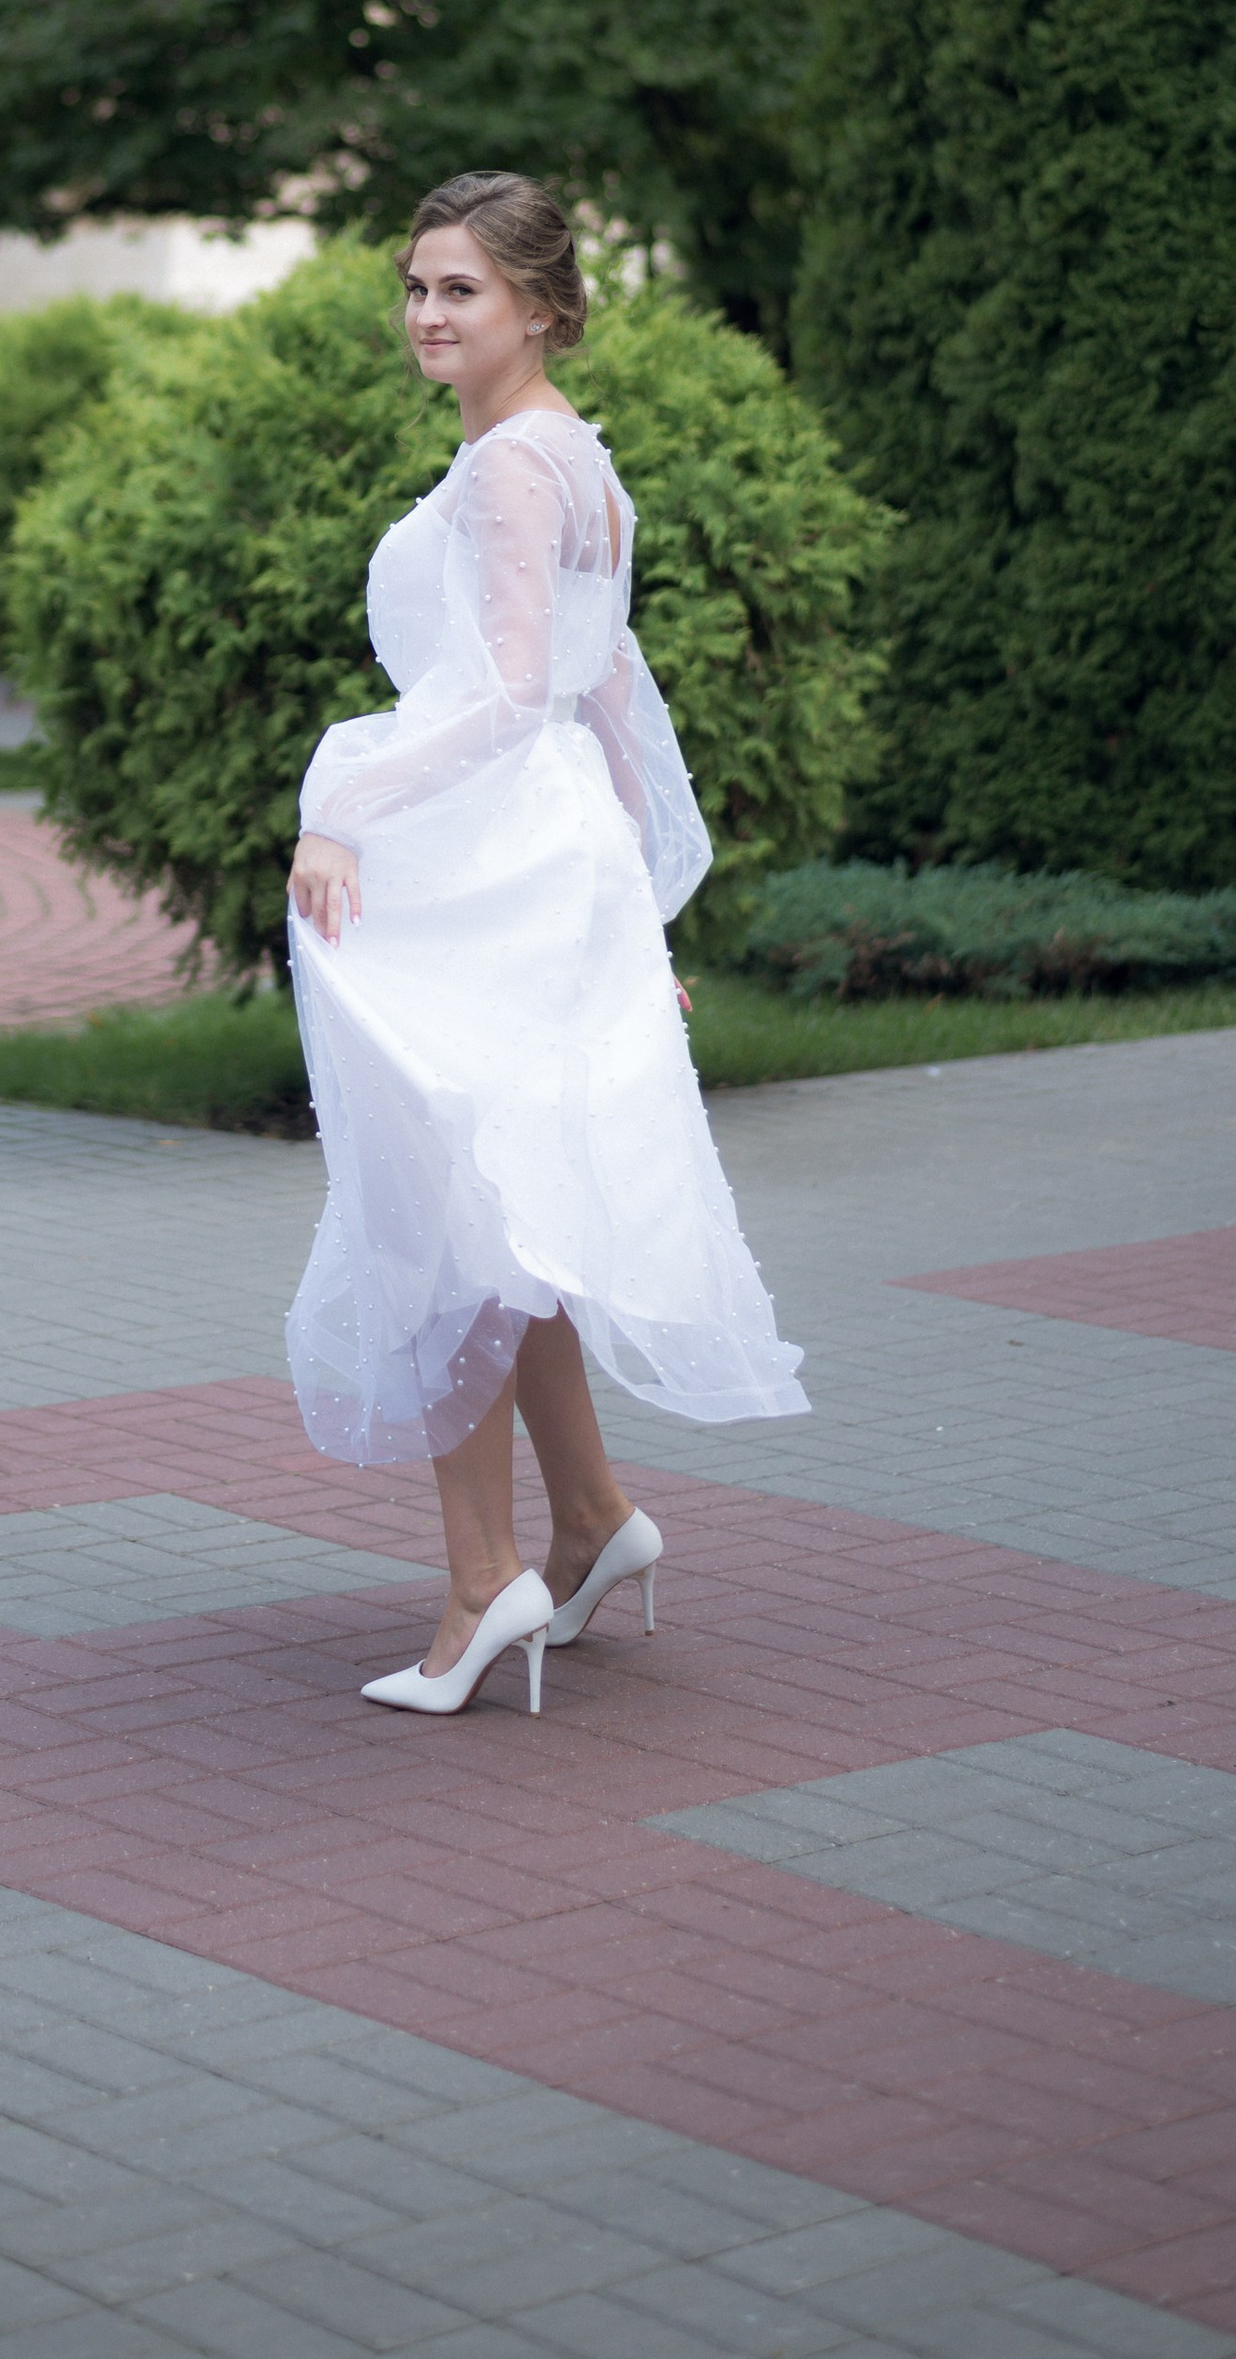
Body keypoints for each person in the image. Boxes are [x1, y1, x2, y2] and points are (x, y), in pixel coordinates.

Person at [286, 170, 806, 1717]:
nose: (430, 314)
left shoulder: (518, 464)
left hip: (500, 859)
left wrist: (343, 798)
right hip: (551, 854)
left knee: (441, 1209)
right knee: (508, 1213)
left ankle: (478, 1585)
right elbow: (607, 693)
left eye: (463, 290)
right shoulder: (578, 456)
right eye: (419, 286)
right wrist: (635, 915)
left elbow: (523, 689)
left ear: (541, 307)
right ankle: (587, 1524)